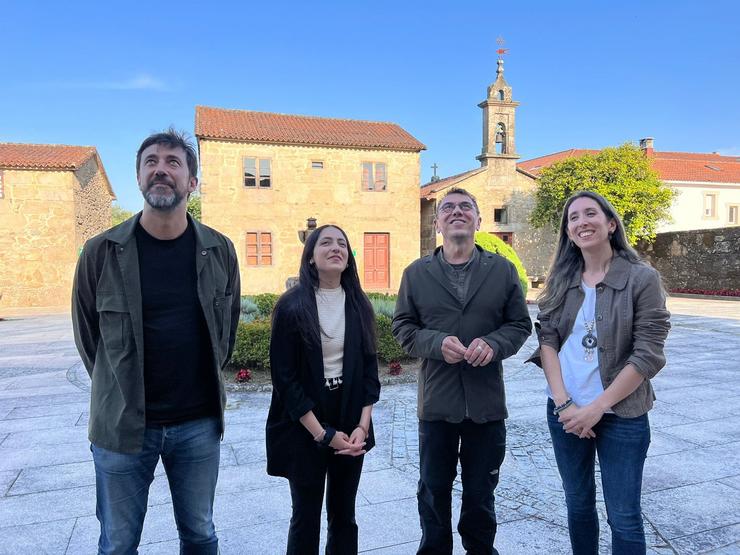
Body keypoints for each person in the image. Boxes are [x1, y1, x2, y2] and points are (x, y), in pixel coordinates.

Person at [72, 129, 241, 554]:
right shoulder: (101, 252)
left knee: (200, 535)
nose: (160, 169)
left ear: (191, 182)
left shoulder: (219, 250)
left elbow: (227, 330)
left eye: (172, 162)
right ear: (139, 178)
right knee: (118, 542)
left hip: (198, 424)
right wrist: (117, 388)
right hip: (122, 428)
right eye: (151, 162)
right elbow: (88, 337)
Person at [527, 190, 671, 554]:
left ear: (610, 224)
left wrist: (596, 407)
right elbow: (547, 341)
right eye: (572, 218)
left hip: (622, 414)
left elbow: (648, 353)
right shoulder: (560, 280)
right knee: (577, 505)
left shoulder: (642, 279)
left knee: (623, 515)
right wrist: (564, 405)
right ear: (569, 232)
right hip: (565, 412)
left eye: (590, 213)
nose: (581, 222)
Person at [392, 187, 532, 555]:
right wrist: (436, 344)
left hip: (486, 405)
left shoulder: (502, 271)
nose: (457, 212)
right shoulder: (416, 273)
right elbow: (403, 329)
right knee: (433, 490)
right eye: (448, 208)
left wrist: (495, 344)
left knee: (481, 493)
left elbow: (519, 325)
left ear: (478, 220)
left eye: (465, 207)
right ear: (437, 223)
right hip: (438, 404)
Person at [266, 224, 381, 555]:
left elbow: (369, 374)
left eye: (342, 244)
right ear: (311, 257)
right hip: (305, 421)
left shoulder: (359, 305)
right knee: (305, 517)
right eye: (326, 243)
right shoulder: (291, 306)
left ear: (348, 257)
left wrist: (362, 426)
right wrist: (323, 434)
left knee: (345, 515)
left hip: (349, 414)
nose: (336, 248)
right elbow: (285, 381)